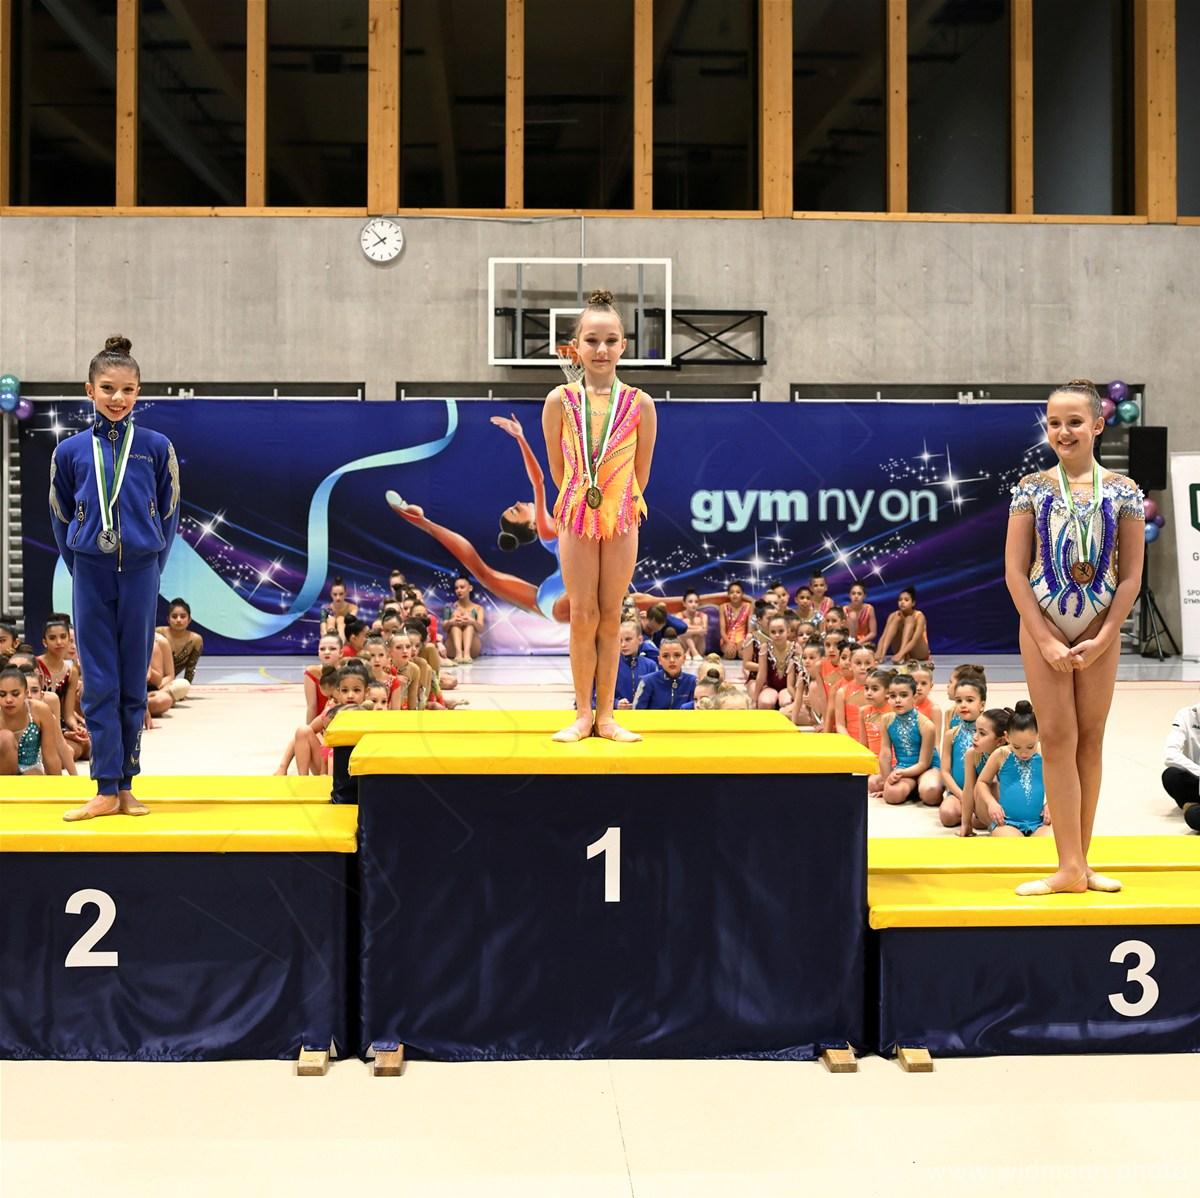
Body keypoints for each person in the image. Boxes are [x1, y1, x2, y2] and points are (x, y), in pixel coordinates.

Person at [1006, 379, 1144, 894]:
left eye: (1074, 422)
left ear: (1098, 424)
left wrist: (1107, 634)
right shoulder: (1032, 488)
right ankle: (1067, 866)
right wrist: (1043, 638)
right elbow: (1015, 571)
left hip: (1098, 625)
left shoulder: (1124, 490)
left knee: (1091, 738)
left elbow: (1130, 576)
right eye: (1054, 423)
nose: (1063, 431)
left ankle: (1080, 865)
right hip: (1043, 621)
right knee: (1059, 737)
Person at [49, 335, 180, 821]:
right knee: (100, 680)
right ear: (90, 390)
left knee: (132, 681)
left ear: (138, 392)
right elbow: (60, 515)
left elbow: (169, 512)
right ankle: (105, 786)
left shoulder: (156, 447)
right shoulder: (69, 451)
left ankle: (127, 783)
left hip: (142, 571)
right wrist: (81, 563)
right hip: (91, 571)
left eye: (127, 389)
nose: (117, 398)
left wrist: (151, 565)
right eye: (107, 388)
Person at [541, 289, 657, 742]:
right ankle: (582, 714)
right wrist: (583, 496)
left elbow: (641, 472)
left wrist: (615, 502)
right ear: (576, 347)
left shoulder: (641, 404)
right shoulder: (559, 401)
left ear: (623, 345)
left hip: (622, 515)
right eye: (591, 340)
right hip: (577, 515)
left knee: (611, 614)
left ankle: (606, 717)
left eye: (610, 341)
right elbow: (557, 469)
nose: (601, 349)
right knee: (582, 614)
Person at [971, 702, 1051, 837]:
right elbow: (982, 782)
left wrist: (1051, 805)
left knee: (1052, 842)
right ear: (1007, 737)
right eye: (1017, 747)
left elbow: (1061, 784)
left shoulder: (1045, 754)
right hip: (1007, 823)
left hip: (1039, 822)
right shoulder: (1001, 754)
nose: (1024, 753)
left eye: (1030, 746)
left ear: (1039, 736)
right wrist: (991, 803)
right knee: (1012, 844)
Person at [877, 673, 939, 805]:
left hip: (927, 768)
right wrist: (888, 781)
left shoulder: (926, 725)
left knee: (931, 792)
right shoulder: (886, 720)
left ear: (914, 697)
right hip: (904, 767)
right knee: (891, 795)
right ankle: (913, 788)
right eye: (893, 696)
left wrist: (901, 773)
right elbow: (885, 753)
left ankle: (920, 786)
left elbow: (924, 763)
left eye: (904, 695)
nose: (897, 700)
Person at [936, 671, 986, 828]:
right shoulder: (951, 734)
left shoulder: (989, 734)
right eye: (959, 701)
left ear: (982, 705)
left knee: (980, 822)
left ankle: (971, 814)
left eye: (969, 700)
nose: (963, 705)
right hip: (958, 792)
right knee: (947, 815)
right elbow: (945, 771)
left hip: (982, 793)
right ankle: (964, 812)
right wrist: (962, 795)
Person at [0, 667, 64, 776]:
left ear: (26, 694)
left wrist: (57, 784)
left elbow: (50, 755)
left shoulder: (40, 710)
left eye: (15, 694)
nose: (8, 700)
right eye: (2, 694)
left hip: (31, 770)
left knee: (33, 774)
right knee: (5, 738)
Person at [958, 706, 1010, 837]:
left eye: (982, 733)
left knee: (993, 782)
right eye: (975, 731)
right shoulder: (972, 754)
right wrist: (966, 823)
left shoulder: (1009, 755)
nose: (975, 737)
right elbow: (968, 790)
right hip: (988, 810)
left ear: (1000, 741)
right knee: (983, 784)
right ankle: (994, 826)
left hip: (1011, 810)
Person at [1162, 699, 1200, 832]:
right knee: (1171, 776)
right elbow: (1170, 754)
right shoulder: (1186, 715)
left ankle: (1194, 806)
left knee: (1194, 816)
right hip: (1196, 779)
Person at [156, 597, 203, 703]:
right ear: (168, 619)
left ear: (189, 619)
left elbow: (191, 668)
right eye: (174, 616)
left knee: (182, 685)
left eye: (183, 616)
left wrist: (184, 690)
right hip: (154, 678)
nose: (178, 620)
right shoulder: (158, 633)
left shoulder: (196, 640)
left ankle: (162, 694)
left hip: (169, 682)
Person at [748, 614, 798, 712]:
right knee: (765, 702)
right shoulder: (765, 647)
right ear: (769, 632)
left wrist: (799, 696)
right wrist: (754, 699)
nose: (777, 635)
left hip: (788, 687)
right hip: (770, 686)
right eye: (773, 632)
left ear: (788, 631)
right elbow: (761, 674)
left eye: (781, 631)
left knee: (786, 702)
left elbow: (801, 674)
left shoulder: (795, 648)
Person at [633, 638, 695, 710]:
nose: (672, 660)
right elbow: (636, 712)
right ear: (659, 660)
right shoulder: (647, 682)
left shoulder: (693, 682)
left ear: (684, 658)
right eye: (666, 656)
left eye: (677, 655)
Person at [875, 586, 931, 664]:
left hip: (918, 651)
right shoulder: (893, 615)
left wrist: (901, 653)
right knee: (896, 619)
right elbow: (884, 636)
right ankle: (883, 654)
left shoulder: (919, 616)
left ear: (913, 603)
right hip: (900, 650)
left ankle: (902, 654)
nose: (902, 602)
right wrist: (879, 651)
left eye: (906, 600)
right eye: (900, 600)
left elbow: (915, 640)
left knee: (909, 619)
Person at [444, 575, 485, 664]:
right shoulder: (449, 607)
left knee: (470, 625)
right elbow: (445, 629)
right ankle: (459, 653)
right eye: (456, 588)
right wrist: (451, 622)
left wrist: (472, 621)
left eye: (462, 587)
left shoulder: (478, 608)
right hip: (453, 649)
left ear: (470, 588)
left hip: (472, 649)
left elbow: (481, 629)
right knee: (455, 626)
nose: (459, 590)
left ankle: (466, 654)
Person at [615, 621, 657, 709]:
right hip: (616, 714)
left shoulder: (650, 665)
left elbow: (657, 696)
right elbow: (596, 696)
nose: (623, 645)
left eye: (628, 639)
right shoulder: (611, 666)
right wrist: (616, 703)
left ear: (640, 640)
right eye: (620, 640)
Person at [719, 581, 752, 659]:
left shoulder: (749, 606)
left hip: (743, 639)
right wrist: (729, 642)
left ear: (742, 594)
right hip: (727, 639)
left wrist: (745, 642)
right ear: (728, 594)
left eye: (738, 592)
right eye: (732, 592)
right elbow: (722, 630)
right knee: (730, 654)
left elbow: (750, 629)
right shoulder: (723, 607)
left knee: (742, 654)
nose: (734, 594)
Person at [679, 590, 709, 661]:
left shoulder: (703, 616)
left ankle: (689, 652)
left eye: (696, 602)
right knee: (685, 623)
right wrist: (697, 629)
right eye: (690, 602)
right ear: (684, 603)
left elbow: (704, 631)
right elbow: (681, 631)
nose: (693, 604)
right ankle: (692, 651)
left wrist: (690, 629)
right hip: (683, 648)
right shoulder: (679, 616)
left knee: (697, 620)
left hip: (699, 649)